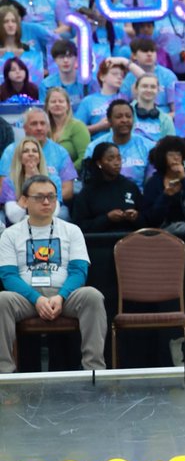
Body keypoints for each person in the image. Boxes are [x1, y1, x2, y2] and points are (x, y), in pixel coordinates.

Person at [0, 174, 107, 373]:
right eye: (39, 197)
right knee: (1, 300)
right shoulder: (10, 234)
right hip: (26, 297)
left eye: (51, 196)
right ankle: (4, 374)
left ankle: (94, 370)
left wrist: (61, 296)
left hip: (65, 295)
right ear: (24, 201)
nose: (47, 201)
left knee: (92, 295)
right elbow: (8, 276)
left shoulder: (72, 230)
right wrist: (36, 299)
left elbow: (78, 271)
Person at [0, 107, 76, 206]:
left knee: (63, 214)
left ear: (48, 127)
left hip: (51, 204)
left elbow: (68, 191)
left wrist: (43, 201)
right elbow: (2, 187)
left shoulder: (61, 152)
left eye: (42, 123)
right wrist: (28, 202)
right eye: (34, 124)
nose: (39, 128)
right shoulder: (10, 151)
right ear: (25, 127)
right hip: (17, 203)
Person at [71, 143, 143, 233]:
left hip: (129, 240)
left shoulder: (130, 186)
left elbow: (146, 221)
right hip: (100, 242)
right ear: (99, 163)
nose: (117, 163)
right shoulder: (88, 192)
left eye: (119, 158)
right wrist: (107, 219)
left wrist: (136, 217)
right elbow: (79, 227)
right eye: (110, 159)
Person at [141, 136, 185, 232]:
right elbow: (151, 218)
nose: (176, 158)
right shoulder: (153, 182)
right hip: (163, 232)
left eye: (179, 154)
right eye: (171, 154)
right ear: (163, 157)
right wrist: (165, 196)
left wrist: (184, 180)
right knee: (182, 227)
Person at [87, 99, 155, 188]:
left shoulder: (148, 146)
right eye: (119, 117)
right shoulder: (94, 147)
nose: (124, 120)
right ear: (109, 121)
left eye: (128, 116)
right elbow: (89, 180)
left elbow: (151, 184)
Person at [1, 138, 62, 224]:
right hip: (19, 225)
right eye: (25, 151)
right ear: (19, 157)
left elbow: (54, 212)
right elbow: (14, 217)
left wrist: (38, 179)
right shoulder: (9, 181)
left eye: (34, 151)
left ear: (40, 157)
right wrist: (28, 183)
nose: (31, 154)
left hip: (46, 223)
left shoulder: (53, 179)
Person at [45, 86, 90, 169]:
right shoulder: (44, 128)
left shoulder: (78, 126)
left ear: (68, 105)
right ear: (47, 106)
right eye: (53, 101)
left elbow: (85, 157)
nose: (57, 104)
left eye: (61, 101)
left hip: (74, 178)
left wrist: (66, 173)